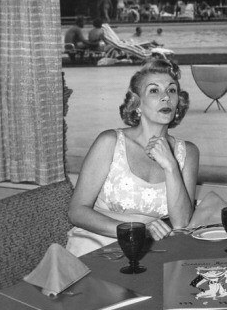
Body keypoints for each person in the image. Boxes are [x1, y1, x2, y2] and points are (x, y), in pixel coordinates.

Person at [66, 57, 200, 257]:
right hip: (96, 247)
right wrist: (137, 230)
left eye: (172, 90)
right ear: (137, 103)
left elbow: (181, 223)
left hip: (148, 251)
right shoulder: (109, 142)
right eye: (154, 91)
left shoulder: (188, 152)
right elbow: (76, 212)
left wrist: (170, 166)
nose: (166, 97)